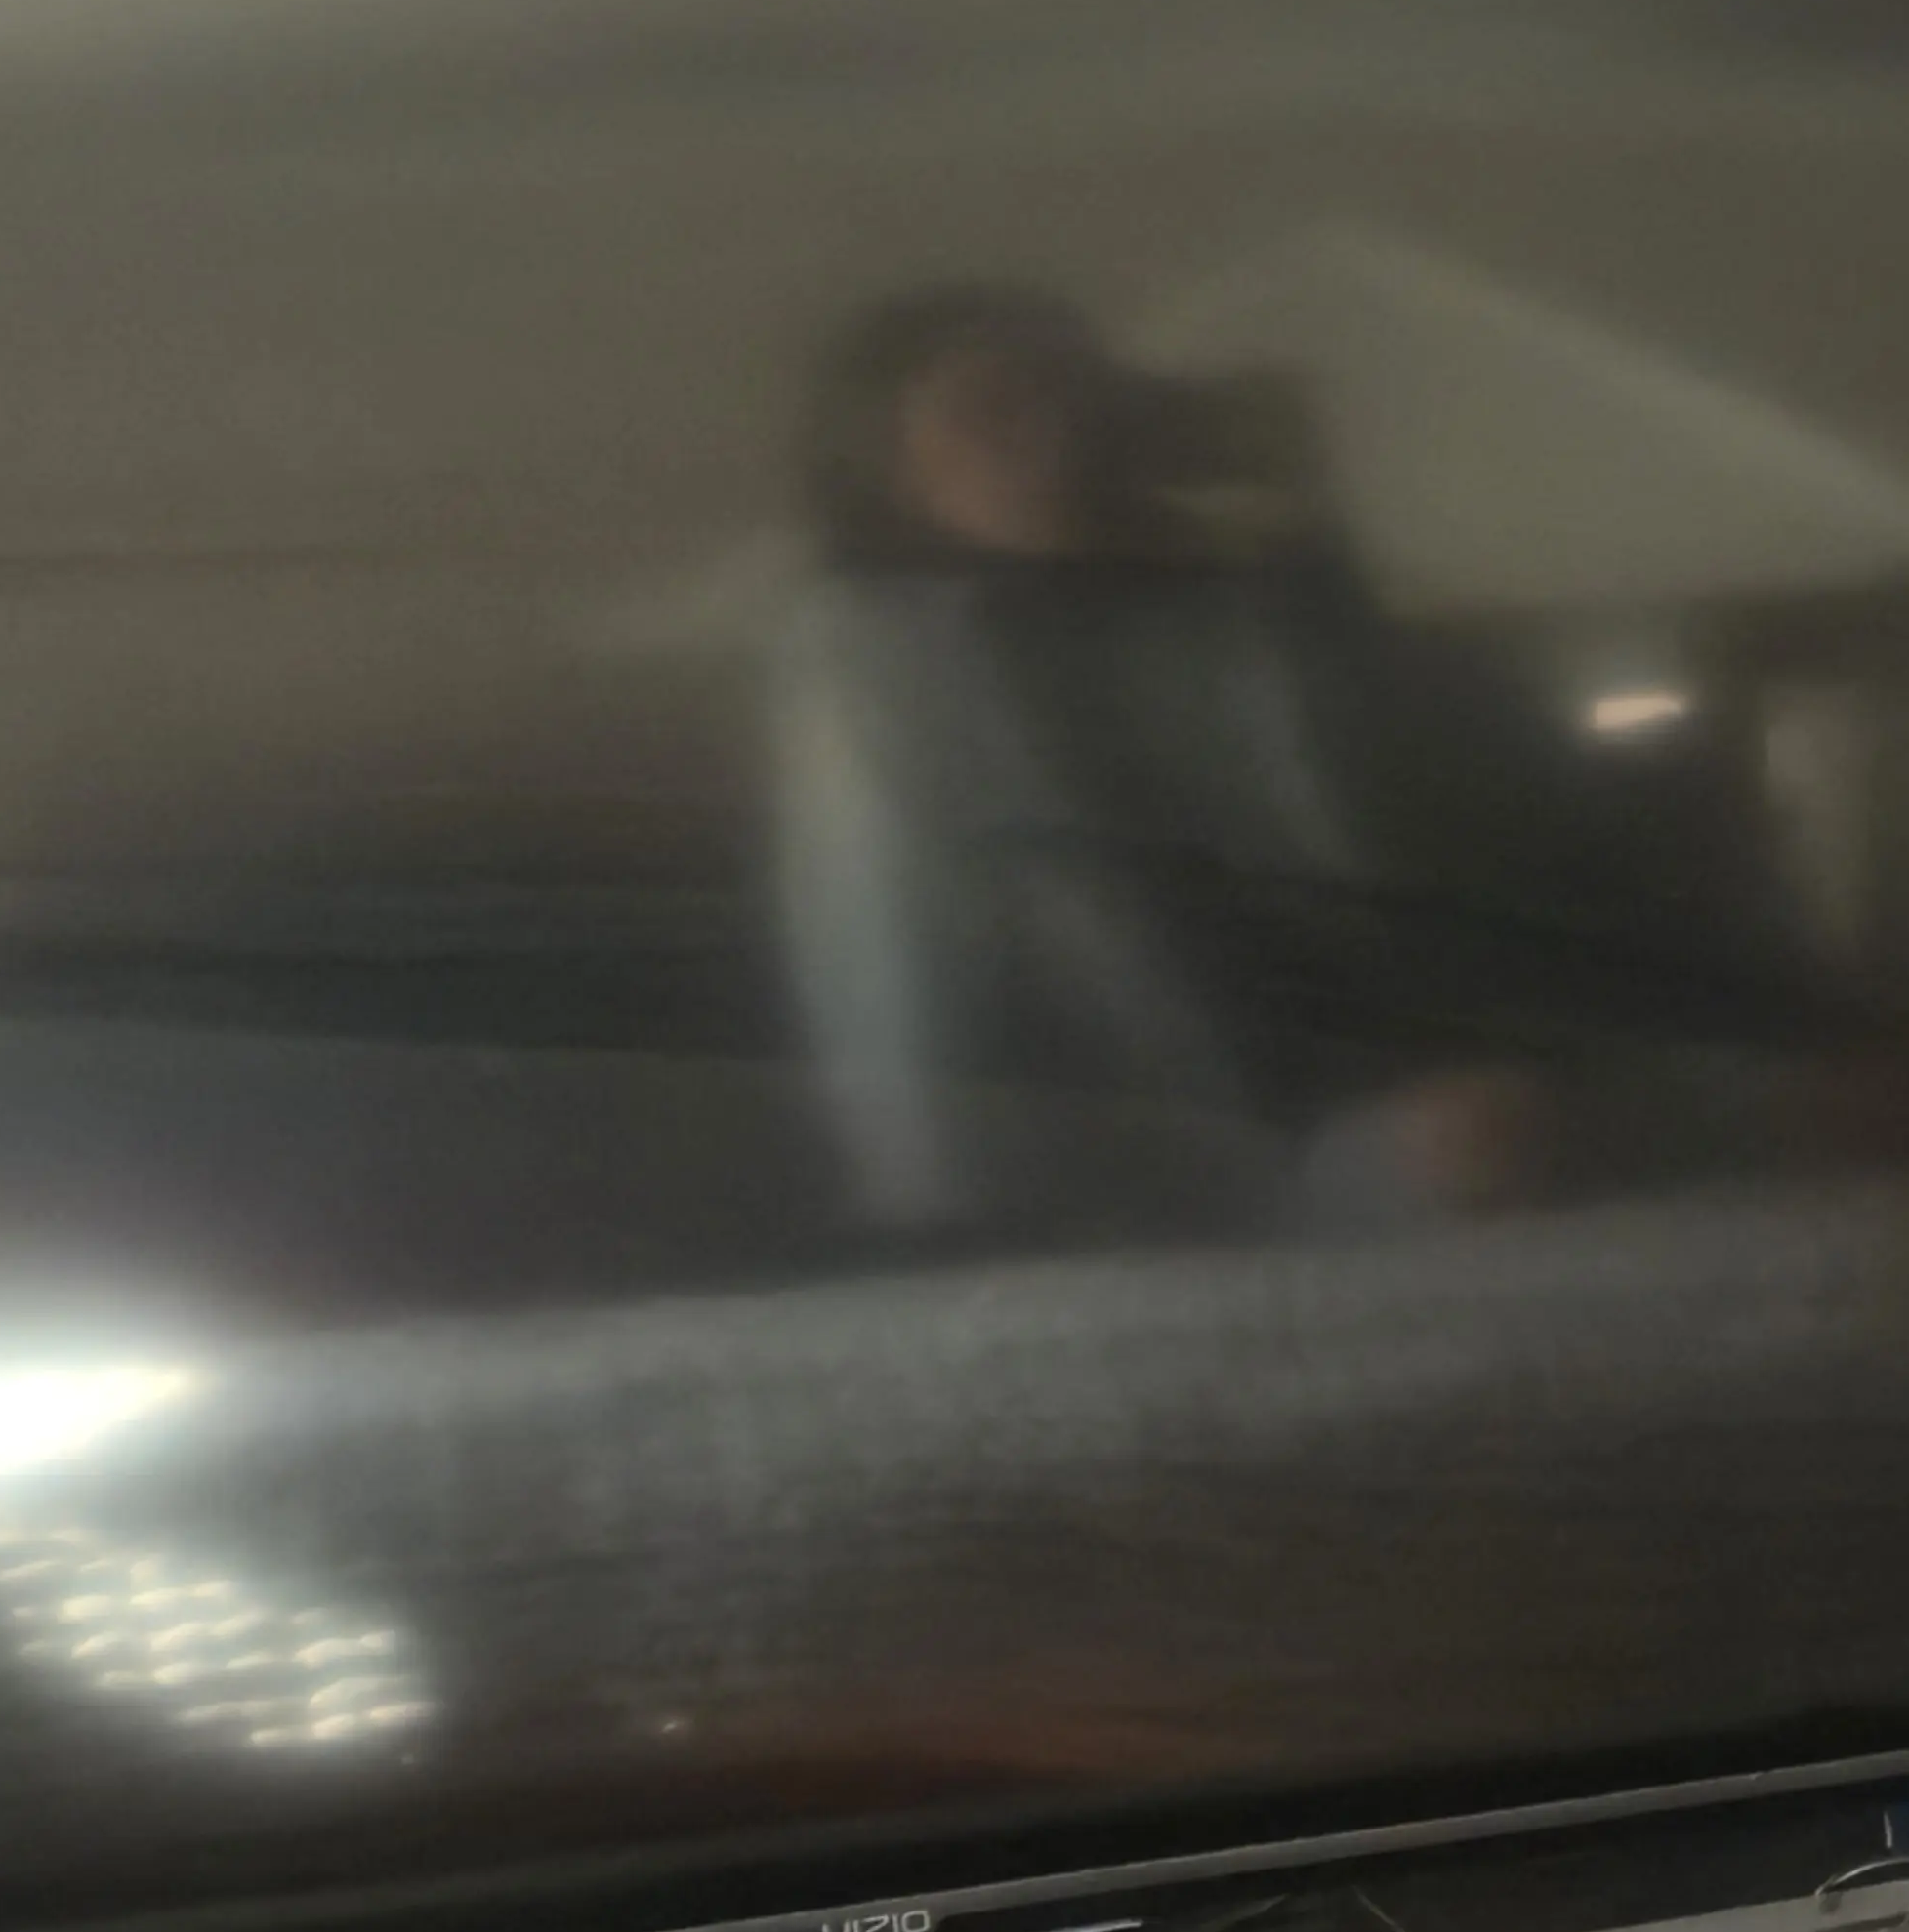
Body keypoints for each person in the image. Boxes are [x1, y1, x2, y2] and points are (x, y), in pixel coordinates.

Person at [767, 288, 1825, 1242]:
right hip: (1170, 1162)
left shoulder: (1236, 615)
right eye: (993, 411)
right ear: (886, 466)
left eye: (1086, 399)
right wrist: (954, 1215)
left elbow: (1478, 833)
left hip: (1431, 1073)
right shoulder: (877, 658)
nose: (1058, 437)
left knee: (1838, 1103)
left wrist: (1308, 562)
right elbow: (892, 968)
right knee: (1491, 1136)